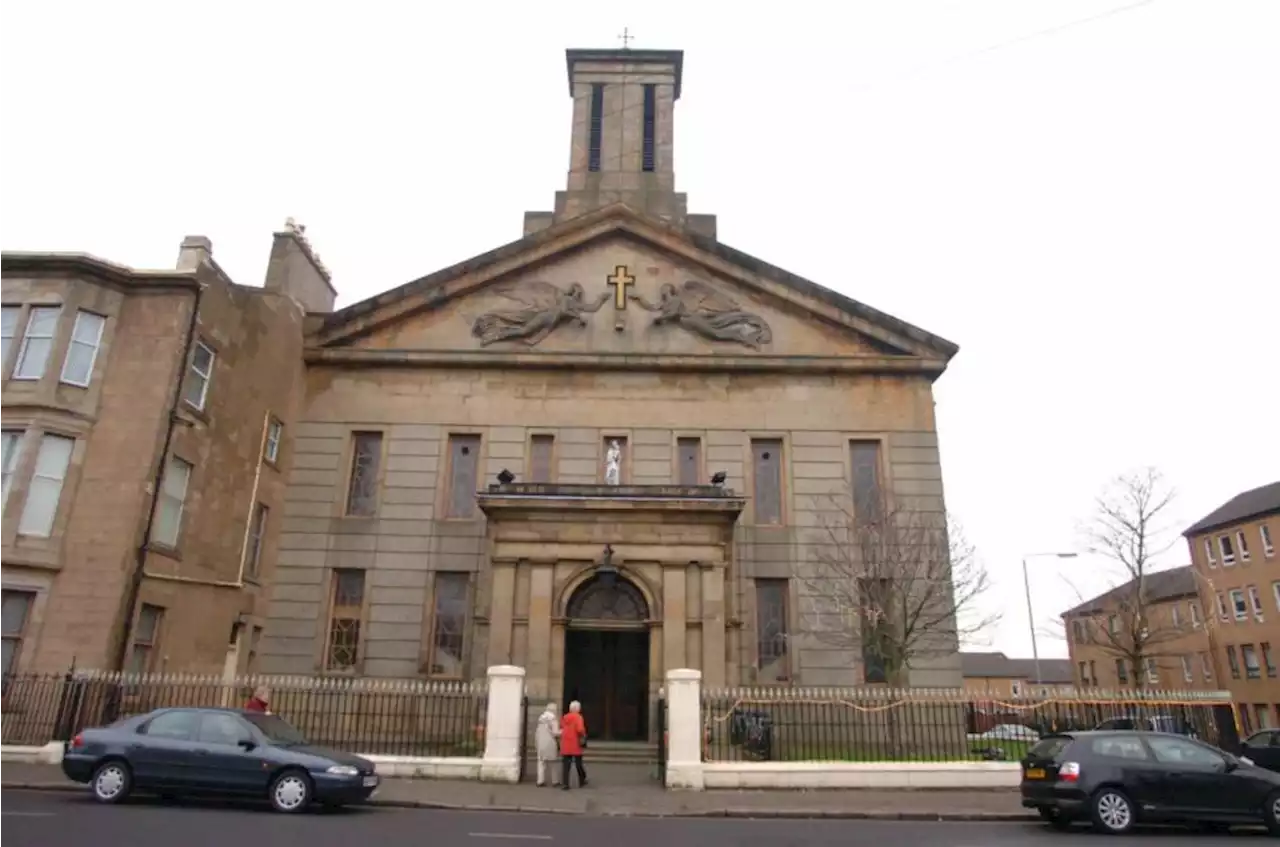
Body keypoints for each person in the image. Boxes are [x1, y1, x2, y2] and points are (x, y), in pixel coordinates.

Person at [559, 700, 588, 790]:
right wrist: (584, 734)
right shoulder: (578, 717)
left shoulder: (565, 717)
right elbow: (580, 729)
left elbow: (562, 727)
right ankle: (582, 780)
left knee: (566, 765)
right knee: (578, 763)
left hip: (566, 743)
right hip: (575, 743)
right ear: (577, 709)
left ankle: (565, 783)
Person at [534, 702, 561, 787]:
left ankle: (540, 781)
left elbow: (537, 732)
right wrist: (563, 732)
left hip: (541, 742)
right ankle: (555, 781)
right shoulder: (553, 719)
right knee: (553, 762)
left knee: (541, 762)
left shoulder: (541, 718)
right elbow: (555, 732)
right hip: (550, 742)